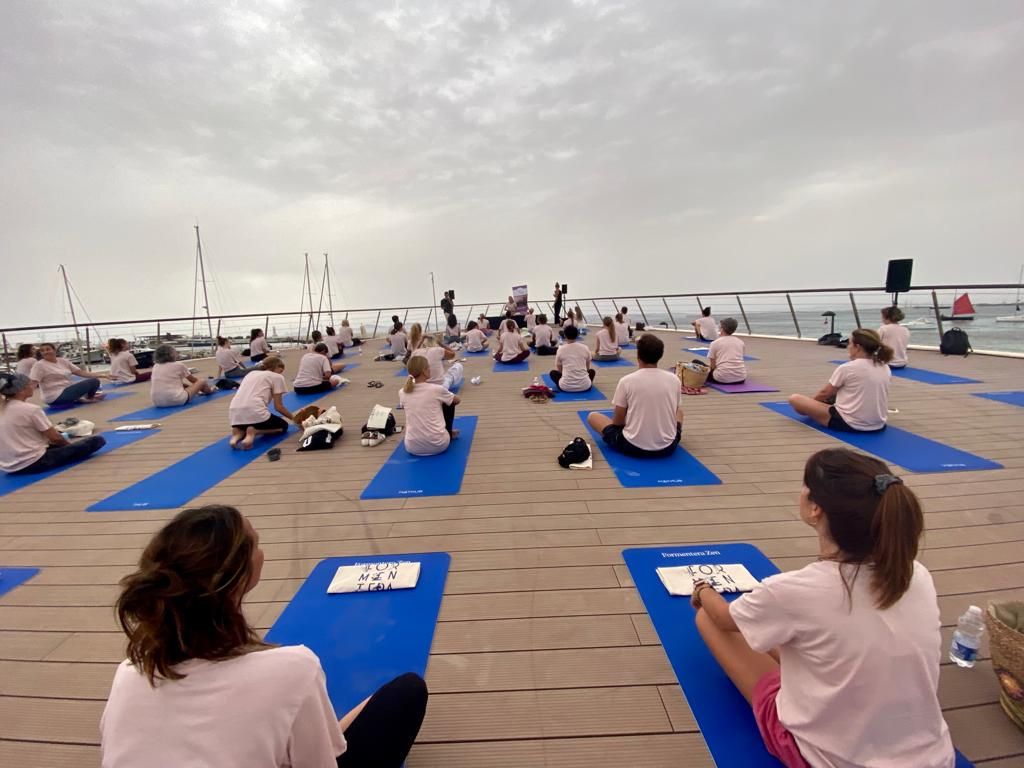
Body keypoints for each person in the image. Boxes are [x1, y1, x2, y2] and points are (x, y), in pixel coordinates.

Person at [101, 504, 428, 768]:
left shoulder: (129, 673)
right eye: (256, 543)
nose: (262, 549)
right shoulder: (294, 669)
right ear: (240, 574)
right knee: (406, 692)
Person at [692, 448, 954, 768]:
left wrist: (703, 591)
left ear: (816, 507)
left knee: (708, 620)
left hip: (830, 758)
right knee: (802, 637)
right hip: (934, 758)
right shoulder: (916, 575)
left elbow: (723, 617)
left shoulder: (793, 591)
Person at [586, 334, 682, 458]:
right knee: (680, 413)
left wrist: (631, 422)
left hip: (632, 446)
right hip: (668, 447)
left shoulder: (627, 381)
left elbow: (618, 422)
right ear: (660, 355)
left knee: (593, 416)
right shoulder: (674, 379)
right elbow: (674, 411)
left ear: (638, 356)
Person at [788, 329, 892, 433]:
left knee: (795, 399)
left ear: (857, 347)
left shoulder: (847, 368)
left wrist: (811, 404)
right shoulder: (884, 366)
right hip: (878, 424)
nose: (848, 347)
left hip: (849, 423)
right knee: (837, 394)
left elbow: (824, 393)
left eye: (850, 344)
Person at [0, 372, 106, 474]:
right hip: (34, 462)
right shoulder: (31, 409)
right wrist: (69, 447)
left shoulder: (2, 408)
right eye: (29, 384)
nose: (32, 386)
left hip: (8, 466)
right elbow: (56, 438)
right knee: (97, 440)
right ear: (21, 390)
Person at [228, 357, 295, 450]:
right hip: (255, 413)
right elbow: (278, 407)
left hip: (234, 415)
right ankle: (255, 431)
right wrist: (295, 419)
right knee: (283, 426)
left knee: (244, 424)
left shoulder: (251, 374)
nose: (282, 373)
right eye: (281, 370)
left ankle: (236, 437)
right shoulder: (277, 377)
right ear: (278, 367)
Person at [400, 355, 460, 456]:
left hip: (412, 447)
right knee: (449, 402)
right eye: (428, 367)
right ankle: (448, 433)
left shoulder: (402, 392)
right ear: (424, 371)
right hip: (438, 445)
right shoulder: (436, 389)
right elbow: (457, 400)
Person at [30, 342, 107, 406]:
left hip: (66, 390)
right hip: (54, 397)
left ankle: (82, 397)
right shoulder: (39, 365)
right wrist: (21, 400)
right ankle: (88, 398)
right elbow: (33, 382)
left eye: (48, 349)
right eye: (42, 351)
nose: (45, 352)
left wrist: (103, 375)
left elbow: (81, 373)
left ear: (54, 350)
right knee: (92, 381)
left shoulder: (62, 361)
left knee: (95, 381)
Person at [550, 325, 594, 392]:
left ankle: (569, 382)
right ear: (577, 335)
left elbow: (559, 368)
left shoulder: (561, 349)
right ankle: (582, 382)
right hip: (585, 386)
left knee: (553, 373)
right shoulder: (585, 348)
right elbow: (587, 367)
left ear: (565, 335)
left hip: (565, 386)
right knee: (592, 371)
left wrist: (565, 375)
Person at [707, 318, 746, 384]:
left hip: (721, 378)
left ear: (721, 328)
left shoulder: (715, 343)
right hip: (741, 377)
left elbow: (712, 366)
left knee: (696, 362)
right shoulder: (741, 342)